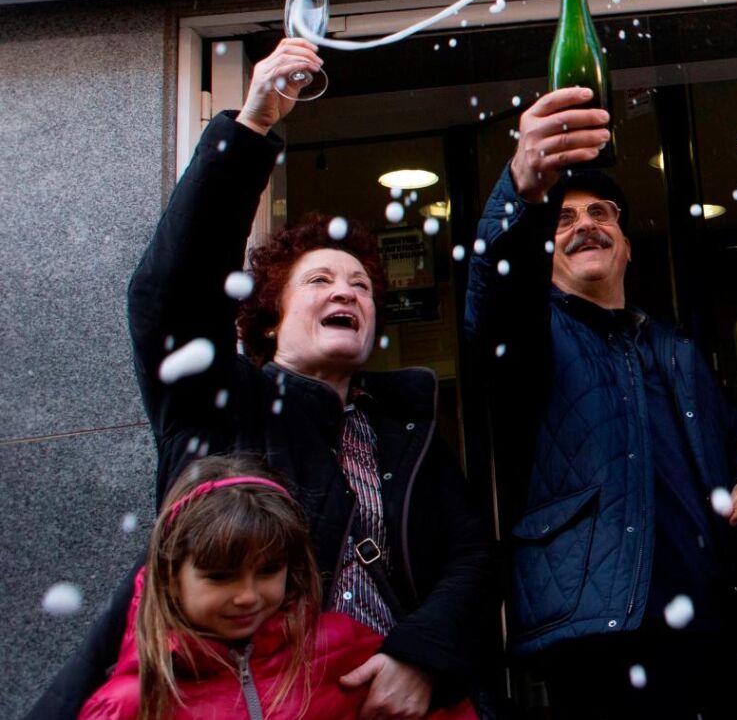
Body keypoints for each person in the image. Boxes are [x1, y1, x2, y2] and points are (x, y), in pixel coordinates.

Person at [34, 37, 494, 720]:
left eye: (362, 284)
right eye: (321, 279)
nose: (348, 291)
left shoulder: (404, 428)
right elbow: (173, 293)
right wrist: (249, 130)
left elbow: (471, 562)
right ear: (269, 320)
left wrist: (420, 655)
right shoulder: (218, 402)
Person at [462, 86, 737, 719]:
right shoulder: (530, 334)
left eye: (602, 213)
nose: (585, 224)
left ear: (627, 244)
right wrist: (521, 192)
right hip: (601, 639)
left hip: (716, 633)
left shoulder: (674, 348)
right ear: (544, 251)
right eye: (565, 218)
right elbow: (493, 296)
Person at [81, 455, 478, 720]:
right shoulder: (134, 704)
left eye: (268, 570)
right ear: (169, 575)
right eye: (220, 576)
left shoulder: (340, 649)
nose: (248, 595)